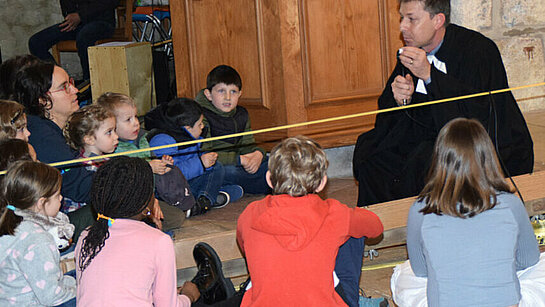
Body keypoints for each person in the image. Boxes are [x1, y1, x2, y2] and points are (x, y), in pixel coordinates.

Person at [353, 0, 533, 207]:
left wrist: (430, 75)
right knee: (372, 153)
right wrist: (400, 98)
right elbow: (391, 112)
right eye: (402, 18)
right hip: (425, 130)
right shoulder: (412, 50)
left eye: (411, 19)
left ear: (438, 20)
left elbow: (480, 112)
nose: (403, 26)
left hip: (470, 139)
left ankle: (426, 226)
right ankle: (382, 223)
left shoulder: (478, 51)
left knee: (423, 160)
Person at [391, 118, 545, 307]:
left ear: (440, 159)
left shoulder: (421, 208)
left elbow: (421, 270)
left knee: (402, 273)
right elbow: (529, 258)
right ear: (488, 157)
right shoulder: (511, 204)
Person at [236, 136, 385, 306]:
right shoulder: (334, 213)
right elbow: (375, 227)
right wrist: (351, 215)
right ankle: (353, 300)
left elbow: (243, 244)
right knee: (354, 229)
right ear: (322, 183)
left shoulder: (251, 213)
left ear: (269, 179)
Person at [75, 156, 238, 306]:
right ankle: (208, 287)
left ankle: (211, 287)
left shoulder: (86, 236)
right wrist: (189, 296)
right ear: (146, 200)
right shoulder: (158, 241)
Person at [11, 61, 94, 241]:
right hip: (53, 226)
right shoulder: (42, 137)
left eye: (70, 83)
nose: (75, 90)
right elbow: (83, 188)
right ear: (43, 100)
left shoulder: (50, 126)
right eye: (65, 87)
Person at [97, 92, 186, 230]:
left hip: (150, 196)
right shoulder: (113, 149)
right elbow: (122, 181)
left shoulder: (143, 139)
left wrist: (161, 164)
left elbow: (151, 165)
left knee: (177, 217)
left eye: (136, 117)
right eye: (128, 120)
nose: (136, 123)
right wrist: (148, 167)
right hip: (130, 203)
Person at [146, 98, 244, 216]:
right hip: (172, 189)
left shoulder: (189, 135)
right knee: (218, 170)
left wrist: (206, 161)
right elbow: (170, 176)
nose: (202, 127)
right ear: (187, 128)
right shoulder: (162, 140)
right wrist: (201, 163)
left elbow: (194, 158)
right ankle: (204, 202)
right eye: (200, 124)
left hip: (189, 181)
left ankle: (203, 198)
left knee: (233, 185)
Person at [0, 160, 76, 306]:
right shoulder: (37, 240)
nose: (61, 198)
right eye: (58, 195)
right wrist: (79, 290)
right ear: (41, 203)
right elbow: (52, 297)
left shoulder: (13, 219)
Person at [195, 65, 269, 195]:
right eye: (221, 91)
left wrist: (258, 154)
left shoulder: (242, 114)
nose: (228, 97)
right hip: (216, 166)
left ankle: (264, 181)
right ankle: (268, 183)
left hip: (238, 163)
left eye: (233, 92)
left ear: (240, 94)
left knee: (274, 161)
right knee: (226, 172)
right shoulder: (200, 116)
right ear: (208, 94)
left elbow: (248, 146)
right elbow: (204, 155)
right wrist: (240, 160)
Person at [28, 0, 119, 81]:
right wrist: (72, 17)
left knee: (85, 36)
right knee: (36, 42)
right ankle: (60, 81)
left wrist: (80, 15)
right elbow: (67, 9)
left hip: (102, 22)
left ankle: (90, 85)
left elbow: (111, 2)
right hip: (78, 25)